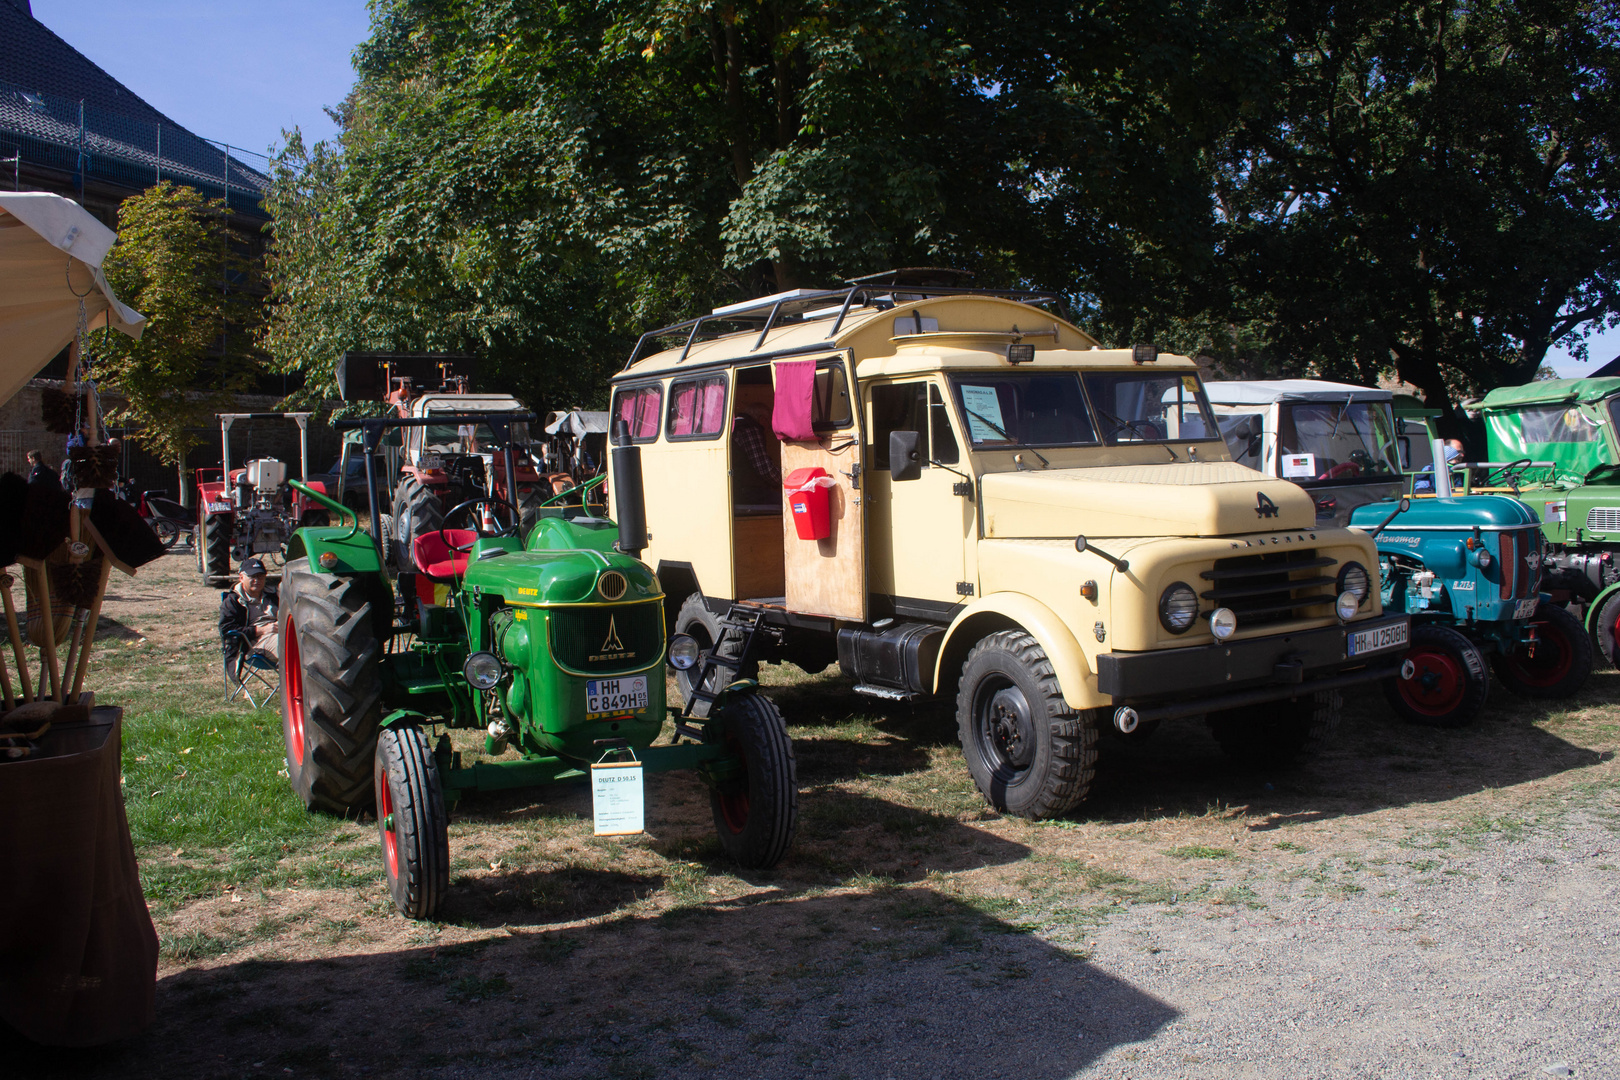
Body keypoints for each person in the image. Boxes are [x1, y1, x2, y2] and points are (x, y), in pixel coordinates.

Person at [219, 557, 279, 678]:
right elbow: (226, 630)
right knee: (290, 647)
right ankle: (296, 693)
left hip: (283, 633)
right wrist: (261, 630)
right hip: (254, 643)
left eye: (261, 576)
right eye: (253, 576)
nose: (257, 580)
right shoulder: (233, 601)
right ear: (241, 578)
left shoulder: (273, 595)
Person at [731, 382, 781, 506]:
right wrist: (786, 480)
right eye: (769, 426)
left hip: (738, 489)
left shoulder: (738, 425)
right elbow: (765, 469)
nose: (768, 430)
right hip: (748, 491)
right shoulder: (750, 429)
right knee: (787, 503)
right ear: (762, 420)